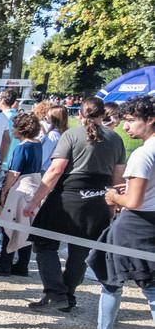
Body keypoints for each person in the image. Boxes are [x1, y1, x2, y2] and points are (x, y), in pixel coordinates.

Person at [23, 96, 127, 312]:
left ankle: (55, 293)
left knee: (44, 243)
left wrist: (35, 200)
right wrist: (114, 207)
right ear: (103, 115)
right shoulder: (116, 138)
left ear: (79, 114)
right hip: (97, 198)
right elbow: (119, 179)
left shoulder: (71, 135)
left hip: (67, 197)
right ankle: (68, 295)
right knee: (80, 250)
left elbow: (55, 170)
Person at [75, 95, 155, 329]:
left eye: (131, 120)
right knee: (146, 285)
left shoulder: (143, 154)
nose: (125, 126)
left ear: (150, 120)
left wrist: (113, 196)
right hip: (151, 220)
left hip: (134, 223)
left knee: (116, 279)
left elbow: (132, 200)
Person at [0, 112, 44, 277]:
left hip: (21, 188)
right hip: (34, 186)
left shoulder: (22, 148)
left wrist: (4, 192)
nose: (12, 130)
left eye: (15, 127)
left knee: (10, 224)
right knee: (26, 227)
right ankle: (22, 264)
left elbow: (13, 173)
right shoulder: (38, 144)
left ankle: (5, 264)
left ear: (22, 129)